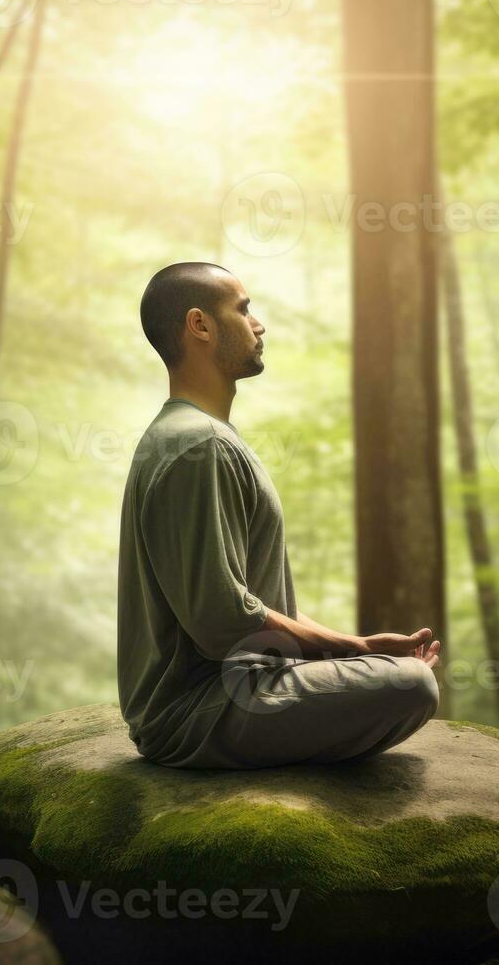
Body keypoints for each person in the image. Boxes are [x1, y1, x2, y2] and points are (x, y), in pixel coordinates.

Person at [116, 262, 441, 769]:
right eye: (243, 309)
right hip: (198, 711)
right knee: (411, 683)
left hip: (235, 691)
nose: (258, 324)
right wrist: (351, 648)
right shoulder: (197, 446)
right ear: (200, 325)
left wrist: (354, 651)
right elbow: (223, 620)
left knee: (396, 676)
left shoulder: (199, 438)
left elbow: (257, 602)